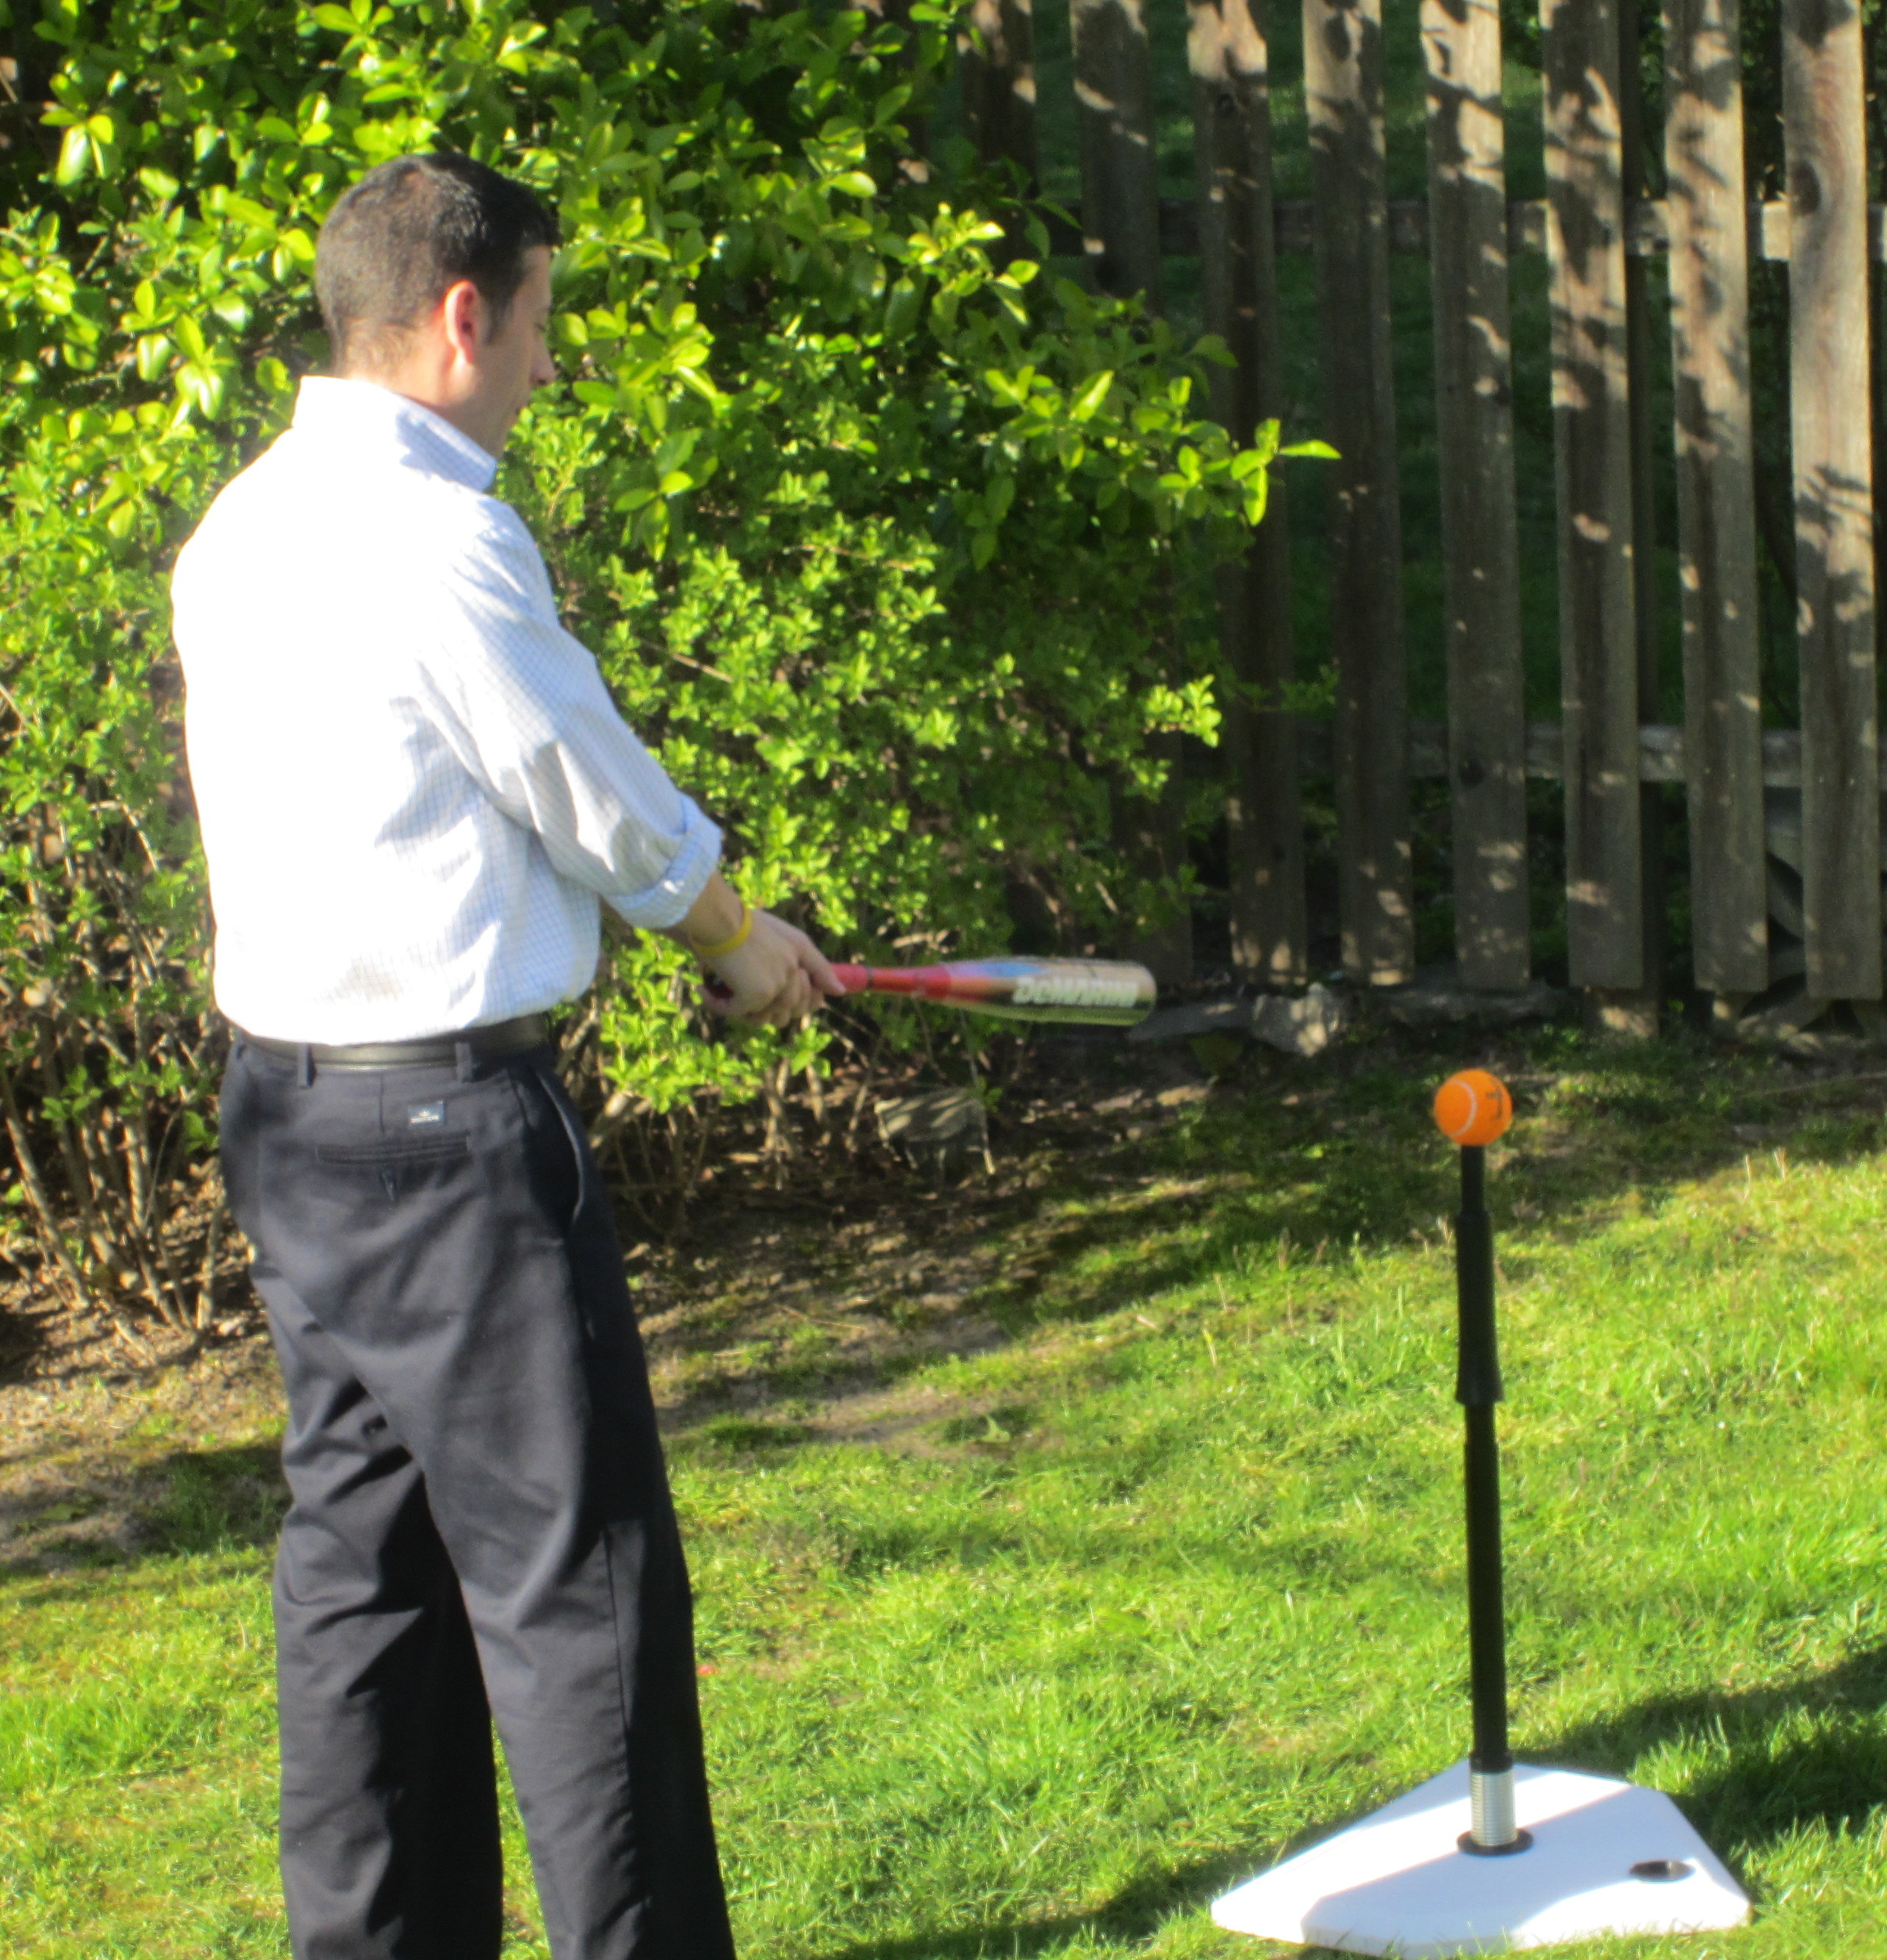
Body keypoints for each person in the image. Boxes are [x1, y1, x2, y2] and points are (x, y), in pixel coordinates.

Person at [171, 149, 838, 1960]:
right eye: (542, 320)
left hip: (291, 1116)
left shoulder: (242, 525)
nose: (549, 360)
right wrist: (733, 932)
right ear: (463, 314)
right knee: (577, 1595)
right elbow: (586, 790)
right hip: (448, 1137)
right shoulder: (438, 536)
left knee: (362, 1579)